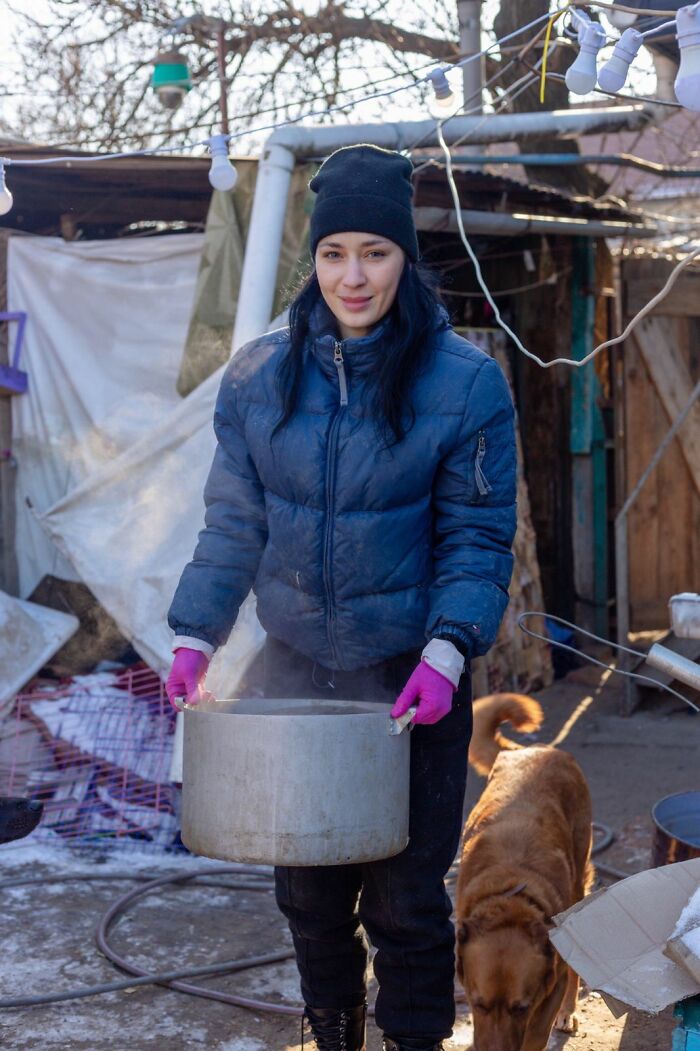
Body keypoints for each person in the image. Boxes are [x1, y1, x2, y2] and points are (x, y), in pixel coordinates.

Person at [166, 144, 517, 1051]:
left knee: (404, 900)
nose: (352, 276)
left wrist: (448, 651)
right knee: (310, 896)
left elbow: (476, 539)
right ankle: (334, 1037)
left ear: (405, 256)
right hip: (292, 671)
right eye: (333, 254)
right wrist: (197, 634)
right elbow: (231, 524)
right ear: (311, 259)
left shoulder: (465, 382)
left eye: (375, 252)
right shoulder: (258, 378)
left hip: (411, 674)